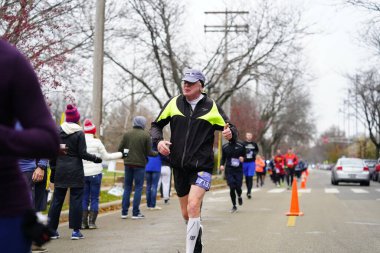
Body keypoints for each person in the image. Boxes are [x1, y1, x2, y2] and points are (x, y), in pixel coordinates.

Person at [150, 69, 237, 253]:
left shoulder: (211, 106)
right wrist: (158, 142)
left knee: (193, 205)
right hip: (179, 167)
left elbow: (230, 128)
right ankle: (197, 233)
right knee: (186, 214)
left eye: (191, 82)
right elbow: (156, 125)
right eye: (184, 82)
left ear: (201, 86)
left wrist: (231, 134)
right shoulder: (174, 103)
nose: (186, 85)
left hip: (202, 167)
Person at [0, 39, 59, 253]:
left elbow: (49, 140)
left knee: (37, 195)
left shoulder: (9, 61)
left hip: (5, 209)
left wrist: (41, 166)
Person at [48, 105, 102, 240]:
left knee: (56, 201)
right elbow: (82, 153)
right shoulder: (79, 133)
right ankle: (76, 232)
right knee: (76, 200)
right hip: (76, 171)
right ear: (77, 119)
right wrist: (95, 158)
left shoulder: (58, 131)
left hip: (61, 170)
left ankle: (51, 231)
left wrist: (53, 171)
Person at [82, 119, 123, 229]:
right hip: (95, 173)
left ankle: (83, 222)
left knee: (84, 198)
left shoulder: (80, 141)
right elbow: (106, 157)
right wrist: (120, 154)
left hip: (83, 174)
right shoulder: (97, 142)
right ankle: (92, 223)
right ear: (93, 131)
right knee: (94, 198)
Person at [118, 116, 157, 219]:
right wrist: (157, 153)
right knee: (138, 188)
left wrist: (126, 157)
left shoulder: (127, 134)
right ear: (143, 123)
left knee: (127, 188)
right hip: (140, 165)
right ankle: (135, 213)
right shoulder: (146, 135)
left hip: (128, 164)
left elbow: (121, 149)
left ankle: (124, 212)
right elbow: (149, 152)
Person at [220, 139, 245, 213]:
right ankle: (234, 205)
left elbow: (245, 155)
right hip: (229, 169)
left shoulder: (241, 145)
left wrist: (243, 158)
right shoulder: (225, 146)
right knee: (232, 187)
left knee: (238, 187)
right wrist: (221, 165)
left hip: (238, 170)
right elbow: (223, 157)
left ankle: (239, 196)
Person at [145, 144, 162, 210]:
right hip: (156, 167)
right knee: (154, 186)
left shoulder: (147, 145)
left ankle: (148, 204)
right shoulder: (159, 146)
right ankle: (153, 205)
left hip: (147, 167)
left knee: (148, 186)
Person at [242, 132, 259, 199]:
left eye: (250, 135)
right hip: (245, 162)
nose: (249, 136)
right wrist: (245, 153)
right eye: (248, 135)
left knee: (250, 177)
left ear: (251, 136)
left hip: (251, 162)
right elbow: (241, 151)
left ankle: (249, 192)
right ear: (246, 136)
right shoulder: (243, 144)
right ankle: (248, 189)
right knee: (246, 178)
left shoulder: (254, 144)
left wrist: (254, 153)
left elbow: (257, 151)